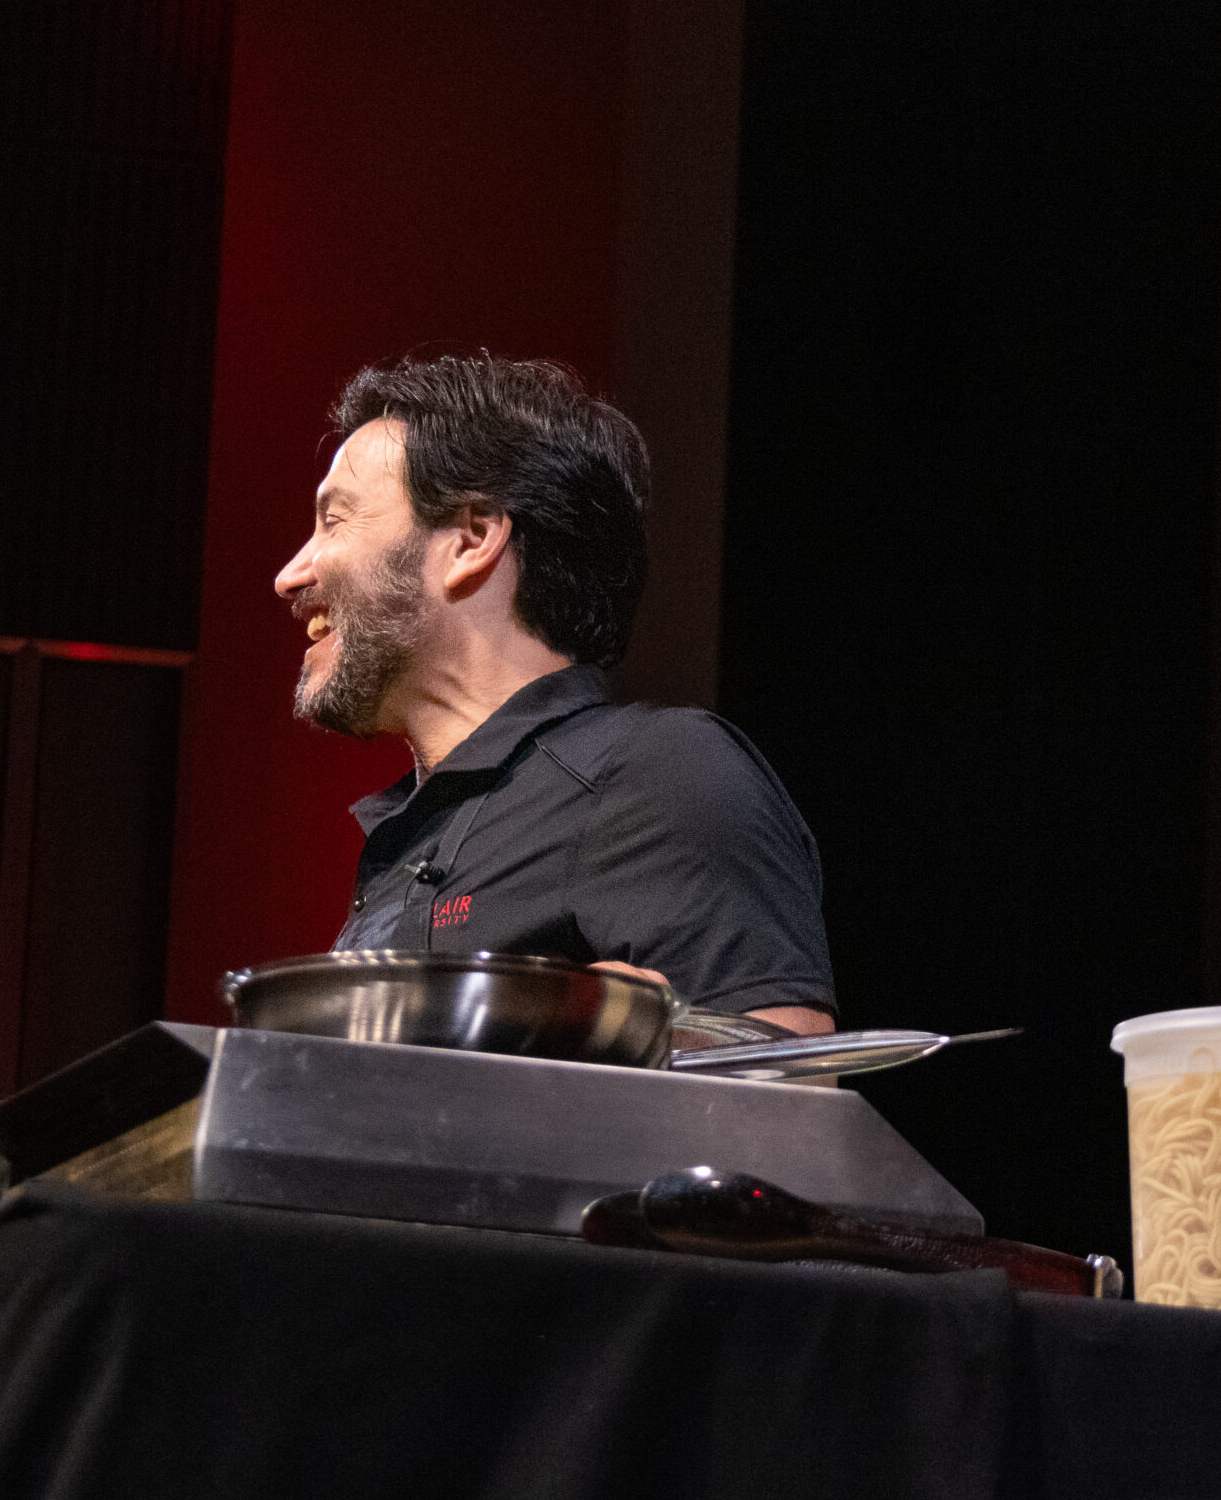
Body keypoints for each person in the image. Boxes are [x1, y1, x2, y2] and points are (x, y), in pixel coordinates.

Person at [274, 354, 835, 1034]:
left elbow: (785, 1099)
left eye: (334, 520)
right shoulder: (413, 838)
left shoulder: (659, 775)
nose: (289, 574)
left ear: (472, 538)